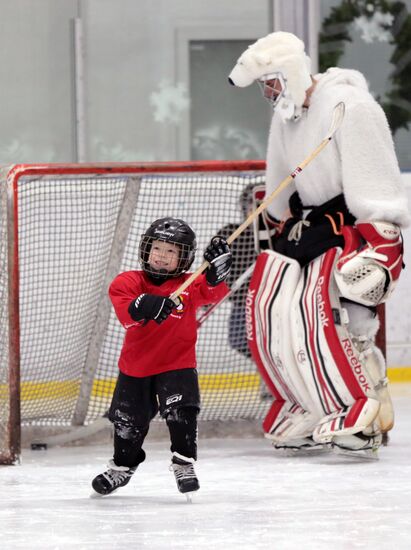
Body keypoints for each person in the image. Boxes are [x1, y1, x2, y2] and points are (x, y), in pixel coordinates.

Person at [228, 31, 409, 455]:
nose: (269, 91)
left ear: (290, 71)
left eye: (271, 80)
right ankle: (314, 406)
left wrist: (381, 242)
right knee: (290, 319)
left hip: (349, 222)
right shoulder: (287, 116)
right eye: (263, 85)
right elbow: (279, 183)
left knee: (350, 322)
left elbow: (378, 181)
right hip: (312, 227)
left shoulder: (351, 106)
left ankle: (366, 415)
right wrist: (278, 219)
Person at [91, 217, 232, 496]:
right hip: (136, 367)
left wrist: (217, 274)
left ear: (184, 258)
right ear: (146, 249)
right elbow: (127, 312)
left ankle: (184, 462)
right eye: (157, 249)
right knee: (127, 423)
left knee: (182, 413)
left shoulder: (189, 284)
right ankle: (122, 467)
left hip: (177, 363)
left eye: (171, 252)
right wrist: (145, 305)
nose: (162, 257)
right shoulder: (129, 281)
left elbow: (213, 291)